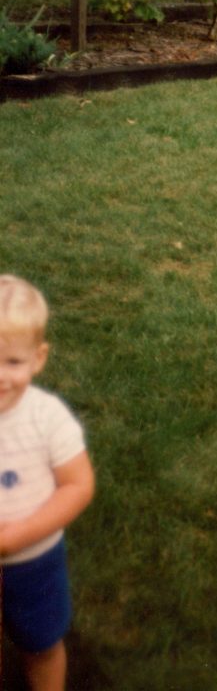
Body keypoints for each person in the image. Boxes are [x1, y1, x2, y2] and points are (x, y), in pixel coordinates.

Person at [0, 275, 95, 691]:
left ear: (38, 359)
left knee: (41, 643)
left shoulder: (47, 417)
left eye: (12, 362)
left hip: (33, 561)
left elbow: (77, 486)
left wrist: (19, 534)